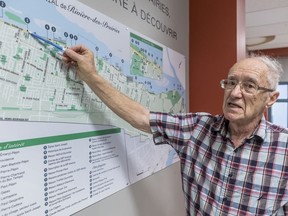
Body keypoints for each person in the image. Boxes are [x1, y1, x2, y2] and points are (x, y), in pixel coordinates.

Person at [62, 45, 288, 215]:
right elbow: (140, 117)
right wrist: (91, 76)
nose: (235, 93)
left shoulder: (284, 148)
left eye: (249, 86)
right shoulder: (197, 129)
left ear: (271, 98)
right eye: (230, 83)